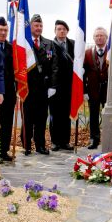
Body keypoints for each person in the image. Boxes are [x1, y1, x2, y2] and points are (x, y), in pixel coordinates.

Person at [22, 14, 55, 155]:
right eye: (36, 25)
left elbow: (54, 66)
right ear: (30, 27)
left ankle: (40, 145)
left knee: (41, 119)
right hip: (28, 87)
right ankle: (26, 145)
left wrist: (52, 86)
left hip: (43, 87)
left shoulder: (49, 43)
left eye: (41, 25)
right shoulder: (25, 43)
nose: (39, 28)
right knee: (28, 118)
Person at [49, 19, 75, 151]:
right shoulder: (50, 45)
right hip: (55, 87)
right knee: (55, 115)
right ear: (55, 31)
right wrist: (50, 86)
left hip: (69, 86)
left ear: (67, 31)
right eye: (59, 29)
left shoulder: (73, 44)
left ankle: (65, 141)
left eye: (64, 29)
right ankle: (55, 141)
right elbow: (49, 65)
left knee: (66, 115)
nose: (62, 31)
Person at [0, 16, 15, 162]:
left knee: (7, 123)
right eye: (0, 30)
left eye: (5, 30)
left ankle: (3, 150)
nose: (2, 33)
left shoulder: (11, 47)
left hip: (9, 91)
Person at [83, 27, 109, 150]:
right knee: (93, 116)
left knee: (108, 115)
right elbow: (82, 73)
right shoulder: (87, 53)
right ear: (93, 38)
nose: (99, 38)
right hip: (92, 90)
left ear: (106, 37)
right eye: (97, 36)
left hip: (108, 91)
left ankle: (109, 138)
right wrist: (84, 91)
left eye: (101, 35)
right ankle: (94, 139)